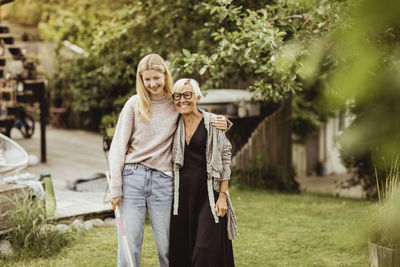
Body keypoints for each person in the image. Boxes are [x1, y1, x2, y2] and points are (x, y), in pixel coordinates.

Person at [108, 54, 228, 267]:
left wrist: (224, 122)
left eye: (156, 77)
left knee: (167, 247)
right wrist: (115, 186)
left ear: (165, 74)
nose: (152, 83)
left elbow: (198, 116)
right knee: (129, 245)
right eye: (147, 79)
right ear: (141, 80)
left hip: (164, 181)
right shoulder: (134, 104)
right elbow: (118, 146)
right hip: (132, 178)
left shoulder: (175, 102)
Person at [169, 78, 237, 267]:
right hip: (181, 199)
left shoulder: (213, 123)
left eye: (187, 94)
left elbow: (225, 158)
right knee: (182, 250)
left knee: (204, 250)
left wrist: (222, 195)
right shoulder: (172, 125)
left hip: (208, 196)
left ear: (197, 97)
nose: (182, 99)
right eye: (177, 95)